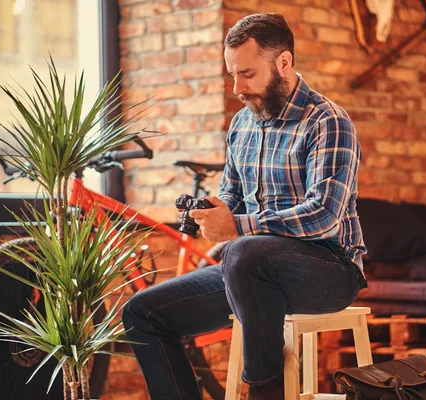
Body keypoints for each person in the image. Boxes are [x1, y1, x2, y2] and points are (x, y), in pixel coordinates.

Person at [122, 13, 367, 400]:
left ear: (283, 63)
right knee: (142, 314)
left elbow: (324, 216)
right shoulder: (242, 124)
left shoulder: (327, 122)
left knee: (243, 250)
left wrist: (237, 227)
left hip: (329, 269)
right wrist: (213, 212)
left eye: (247, 74)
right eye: (232, 74)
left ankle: (264, 391)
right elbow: (232, 198)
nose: (237, 87)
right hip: (250, 272)